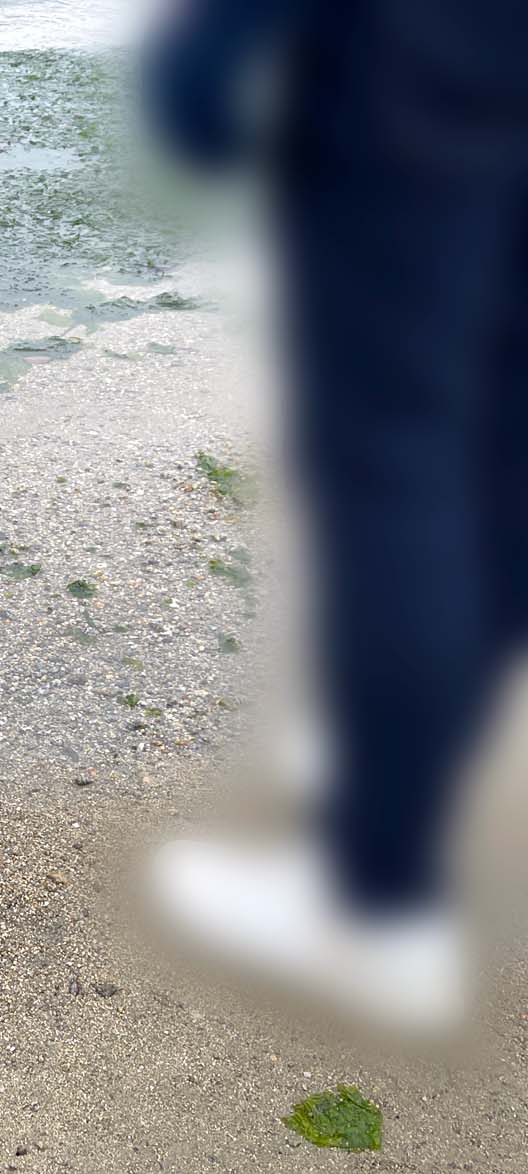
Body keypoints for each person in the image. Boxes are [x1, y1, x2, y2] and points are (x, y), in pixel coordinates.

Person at [143, 0, 528, 1031]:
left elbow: (198, 110)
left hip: (423, 76)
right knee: (503, 441)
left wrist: (203, 66)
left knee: (396, 465)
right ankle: (405, 746)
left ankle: (378, 910)